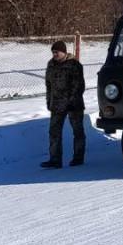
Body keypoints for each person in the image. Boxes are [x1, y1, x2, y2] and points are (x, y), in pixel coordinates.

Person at [42, 40, 86, 169]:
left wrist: (72, 101)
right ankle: (55, 160)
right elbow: (48, 85)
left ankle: (78, 158)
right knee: (54, 132)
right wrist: (49, 101)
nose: (54, 54)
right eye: (53, 52)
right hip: (57, 104)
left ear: (63, 52)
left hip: (73, 105)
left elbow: (79, 85)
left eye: (57, 52)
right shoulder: (51, 65)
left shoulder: (74, 65)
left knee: (78, 131)